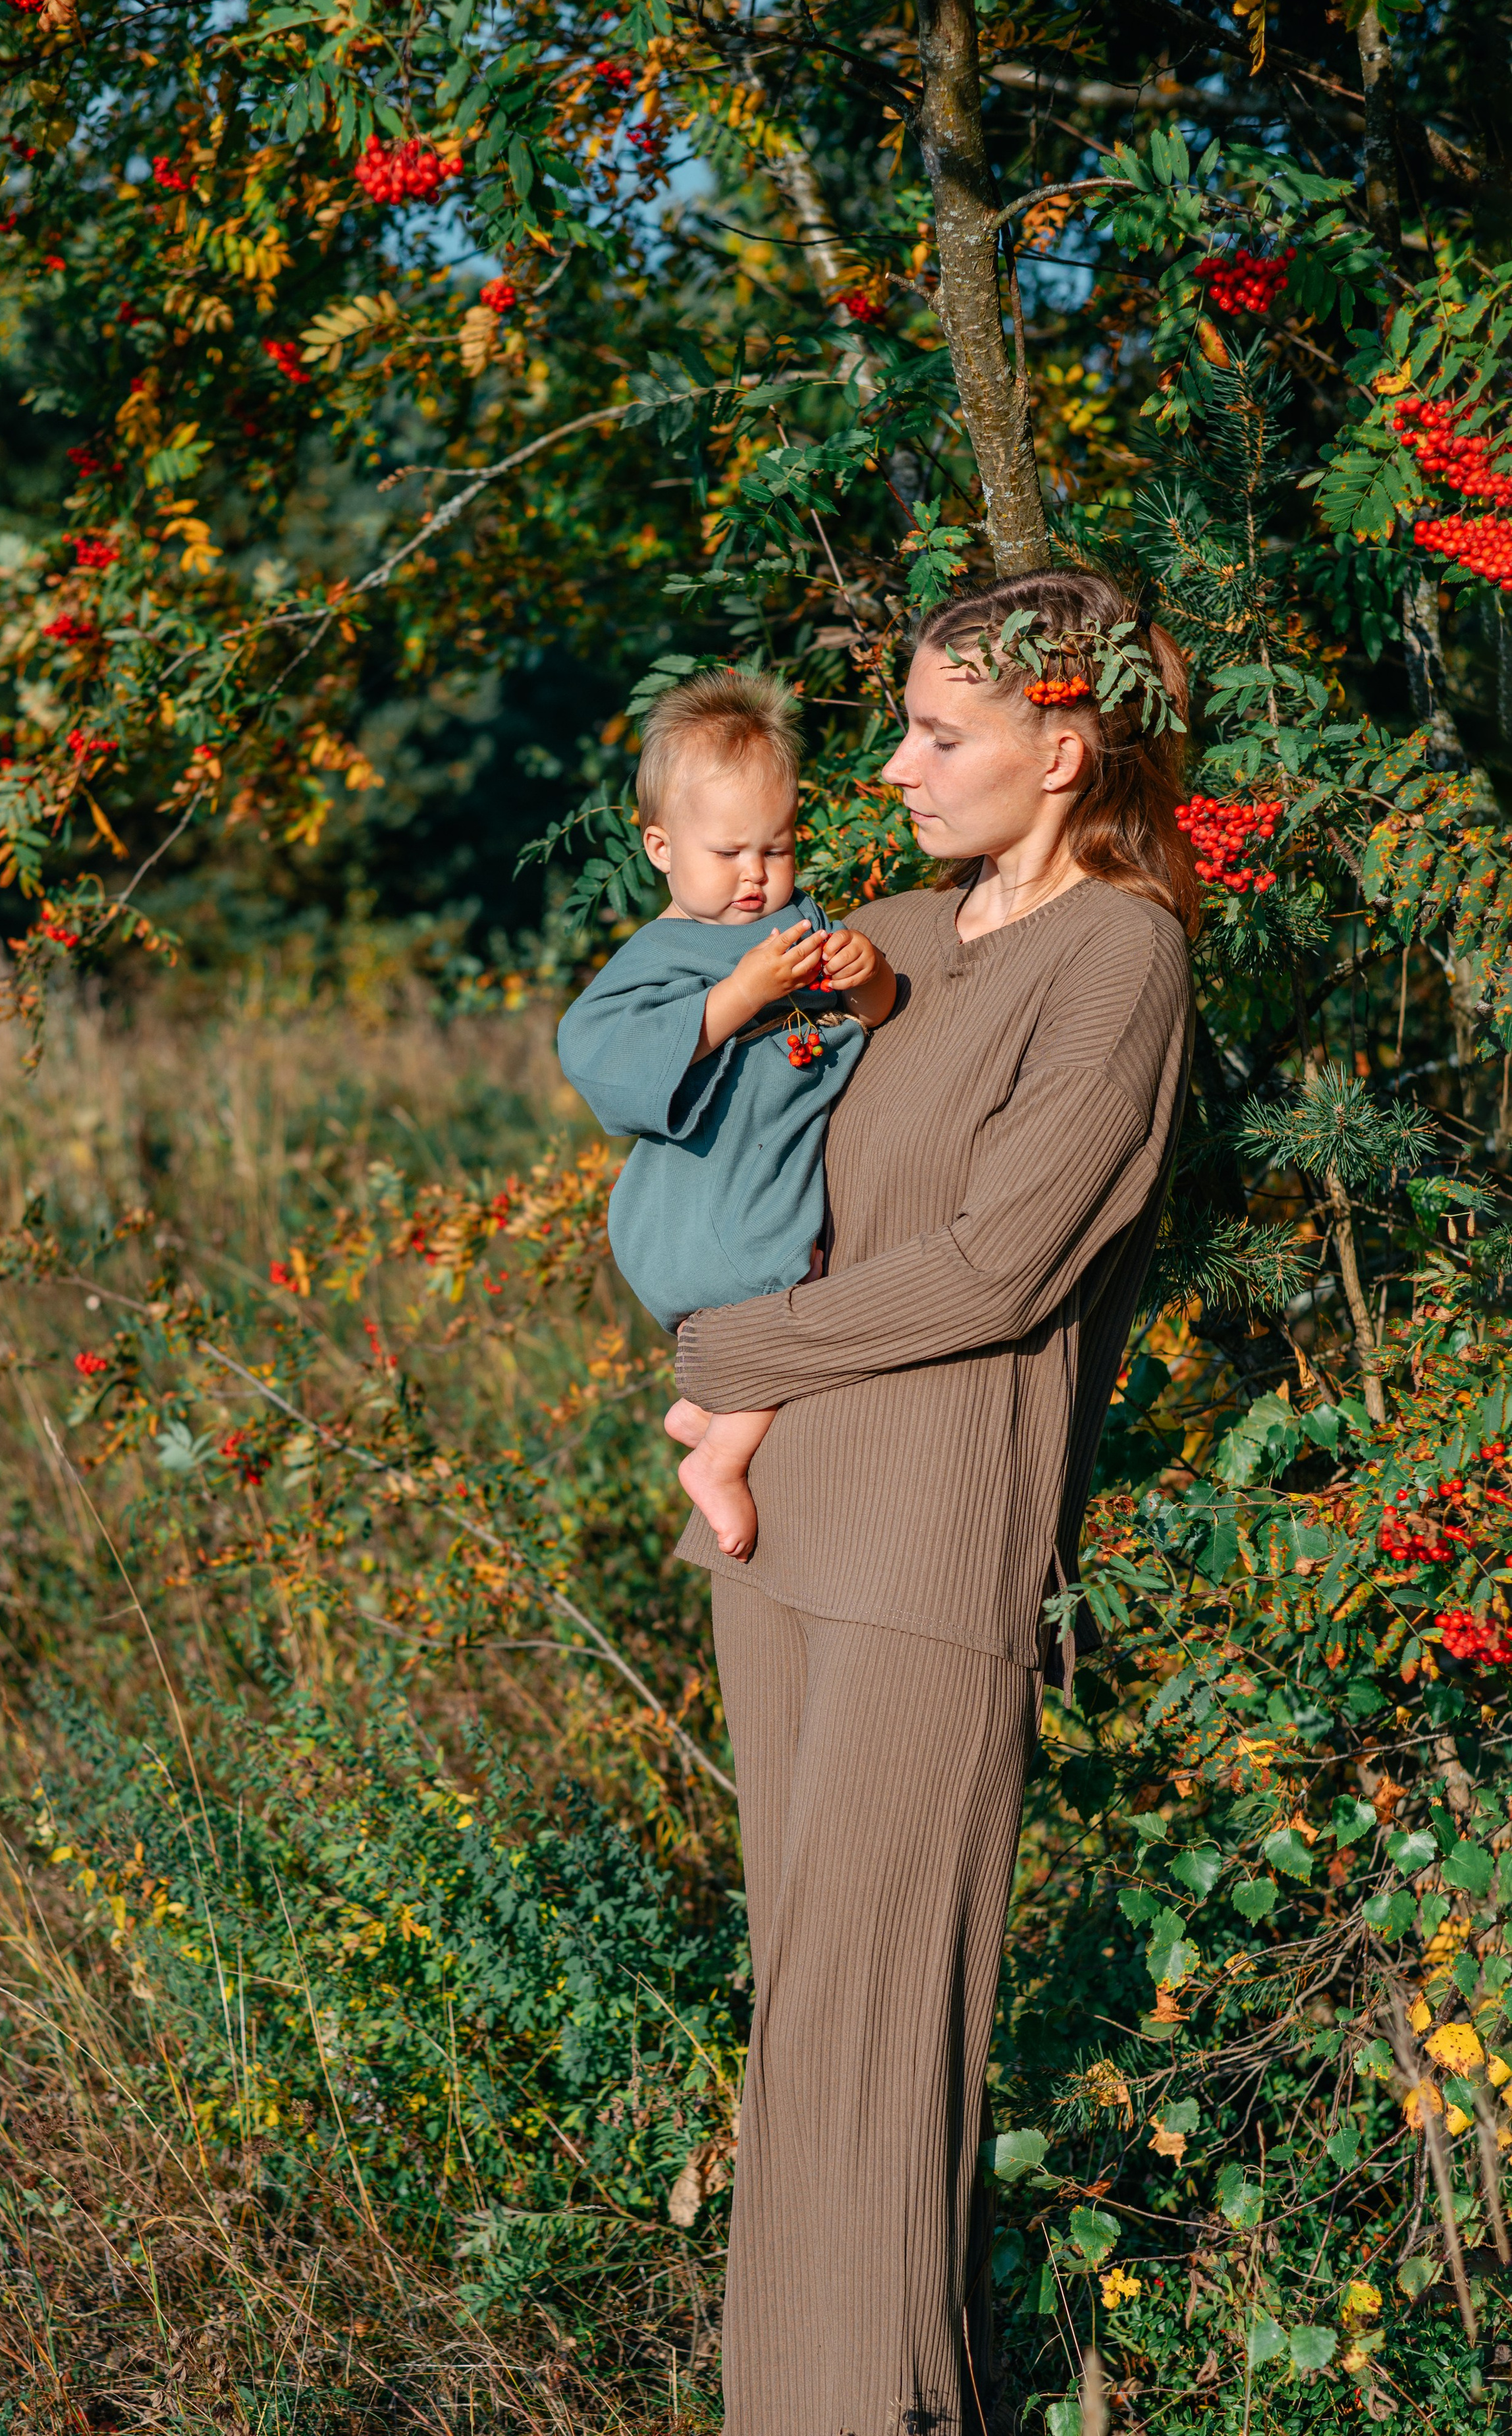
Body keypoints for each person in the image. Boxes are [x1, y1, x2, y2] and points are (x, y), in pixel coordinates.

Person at [672, 570, 1198, 2436]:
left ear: (1067, 750)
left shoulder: (1118, 956)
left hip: (929, 1545)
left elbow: (996, 1275)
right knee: (805, 2016)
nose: (889, 765)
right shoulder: (884, 931)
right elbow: (695, 1118)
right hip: (774, 1535)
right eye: (898, 725)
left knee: (874, 2036)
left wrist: (745, 1349)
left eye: (938, 734)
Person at [557, 669, 896, 1558]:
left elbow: (869, 1020)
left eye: (777, 850)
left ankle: (702, 1405)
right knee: (785, 1298)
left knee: (795, 1284)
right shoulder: (664, 951)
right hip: (707, 1204)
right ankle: (720, 1458)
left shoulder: (799, 926)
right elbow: (596, 1052)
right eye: (728, 853)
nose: (756, 877)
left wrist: (871, 980)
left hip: (763, 1177)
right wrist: (738, 995)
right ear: (662, 847)